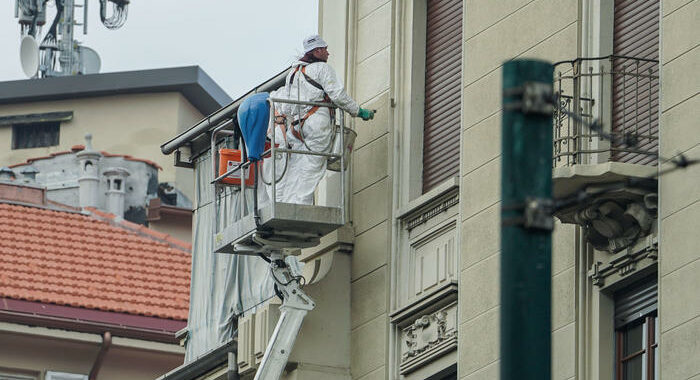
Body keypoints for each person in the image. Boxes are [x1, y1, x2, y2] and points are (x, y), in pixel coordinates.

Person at [269, 34, 374, 205]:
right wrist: (359, 111)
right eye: (325, 49)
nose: (328, 53)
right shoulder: (322, 69)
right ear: (316, 51)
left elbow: (287, 108)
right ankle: (301, 207)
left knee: (296, 168)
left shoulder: (293, 74)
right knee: (311, 168)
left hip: (296, 128)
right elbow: (337, 95)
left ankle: (287, 204)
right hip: (317, 124)